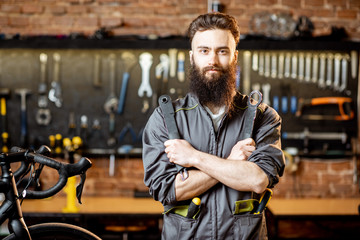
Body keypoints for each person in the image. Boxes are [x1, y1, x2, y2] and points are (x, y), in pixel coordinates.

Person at [142, 12, 285, 240]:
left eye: (222, 51)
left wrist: (194, 158)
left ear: (234, 56)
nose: (213, 61)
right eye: (204, 50)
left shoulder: (262, 117)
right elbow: (167, 190)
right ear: (192, 57)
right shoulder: (166, 118)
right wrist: (231, 164)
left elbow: (258, 180)